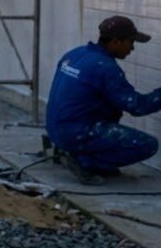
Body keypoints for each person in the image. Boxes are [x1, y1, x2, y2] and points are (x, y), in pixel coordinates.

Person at [45, 15, 161, 184]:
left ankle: (72, 151)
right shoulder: (105, 68)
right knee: (148, 145)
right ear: (115, 42)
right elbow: (137, 106)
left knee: (111, 110)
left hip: (55, 128)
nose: (132, 48)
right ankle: (85, 162)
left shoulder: (76, 53)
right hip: (75, 132)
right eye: (130, 42)